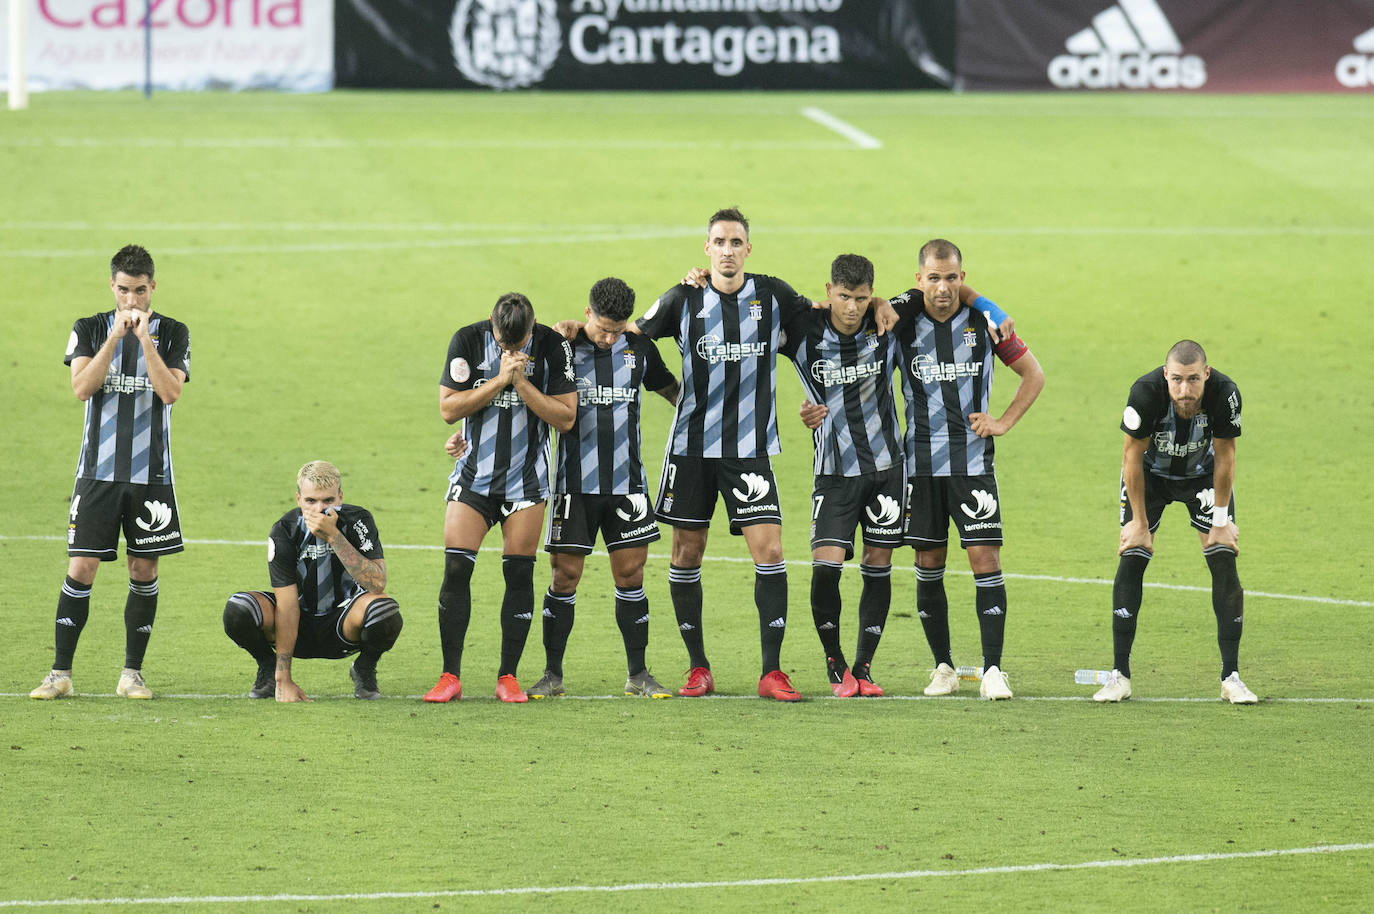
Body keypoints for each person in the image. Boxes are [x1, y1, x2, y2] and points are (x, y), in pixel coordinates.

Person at [633, 207, 826, 701]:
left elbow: (826, 321)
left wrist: (886, 307)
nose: (727, 250)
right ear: (706, 248)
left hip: (749, 449)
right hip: (691, 449)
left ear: (748, 249)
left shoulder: (774, 295)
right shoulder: (684, 298)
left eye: (735, 242)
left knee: (772, 551)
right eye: (718, 241)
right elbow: (631, 338)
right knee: (685, 553)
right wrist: (667, 387)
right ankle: (698, 668)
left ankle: (771, 671)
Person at [32, 245, 190, 701]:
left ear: (153, 287)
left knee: (143, 569)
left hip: (152, 476)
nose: (132, 301)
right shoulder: (88, 328)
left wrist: (143, 341)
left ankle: (131, 674)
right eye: (124, 291)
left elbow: (170, 392)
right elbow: (82, 387)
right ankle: (59, 674)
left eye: (140, 291)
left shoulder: (174, 332)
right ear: (113, 287)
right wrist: (116, 339)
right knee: (81, 568)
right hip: (97, 474)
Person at [896, 239, 1044, 701]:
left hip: (972, 462)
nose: (943, 287)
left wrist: (1003, 422)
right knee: (928, 564)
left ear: (963, 278)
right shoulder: (899, 324)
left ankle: (994, 670)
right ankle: (943, 667)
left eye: (952, 278)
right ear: (919, 279)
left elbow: (1033, 374)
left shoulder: (984, 323)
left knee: (985, 560)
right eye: (934, 278)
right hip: (919, 465)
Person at [529, 277, 681, 699]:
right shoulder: (562, 349)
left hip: (627, 485)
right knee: (564, 577)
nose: (610, 337)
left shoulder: (639, 349)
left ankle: (638, 675)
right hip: (572, 485)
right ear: (587, 312)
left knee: (631, 576)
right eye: (603, 328)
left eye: (618, 329)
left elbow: (671, 391)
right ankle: (552, 675)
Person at [425, 293, 577, 704]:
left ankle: (507, 676)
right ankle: (449, 676)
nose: (511, 350)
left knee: (519, 574)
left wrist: (522, 382)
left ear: (533, 328)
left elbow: (565, 417)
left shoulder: (551, 346)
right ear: (491, 323)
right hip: (475, 478)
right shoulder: (467, 341)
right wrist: (500, 379)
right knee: (456, 569)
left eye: (519, 342)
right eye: (503, 342)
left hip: (527, 484)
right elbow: (448, 409)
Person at [1093, 340, 1255, 704]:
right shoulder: (1145, 393)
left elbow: (1226, 458)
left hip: (1203, 476)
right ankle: (1120, 675)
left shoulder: (1225, 394)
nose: (1185, 390)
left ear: (1206, 374)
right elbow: (1130, 458)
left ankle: (1231, 676)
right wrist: (1137, 521)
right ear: (1166, 375)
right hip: (1149, 476)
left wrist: (1220, 521)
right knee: (1132, 554)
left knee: (1223, 556)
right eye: (1178, 380)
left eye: (1193, 379)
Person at [784, 255, 905, 697]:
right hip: (834, 472)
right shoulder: (803, 331)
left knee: (878, 564)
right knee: (827, 566)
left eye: (860, 298)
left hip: (888, 470)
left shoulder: (887, 323)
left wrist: (886, 303)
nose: (852, 308)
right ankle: (835, 662)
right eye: (843, 297)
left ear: (870, 294)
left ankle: (865, 668)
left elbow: (941, 293)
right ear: (829, 290)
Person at [222, 461, 403, 702]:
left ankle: (364, 668)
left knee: (385, 610)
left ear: (340, 497)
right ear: (298, 499)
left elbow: (378, 583)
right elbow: (286, 606)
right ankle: (267, 666)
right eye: (310, 501)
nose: (319, 509)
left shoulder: (359, 521)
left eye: (328, 501)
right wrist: (283, 679)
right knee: (239, 608)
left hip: (345, 622)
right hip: (297, 623)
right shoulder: (284, 530)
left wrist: (334, 537)